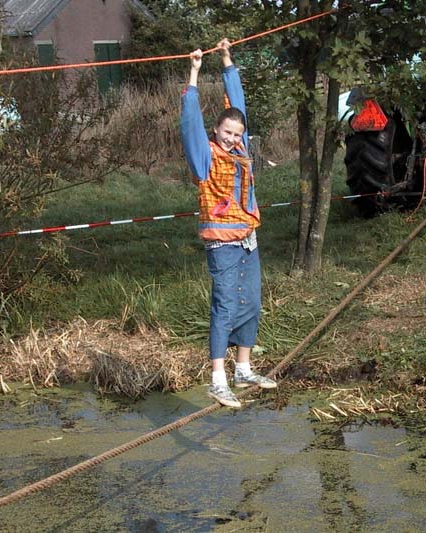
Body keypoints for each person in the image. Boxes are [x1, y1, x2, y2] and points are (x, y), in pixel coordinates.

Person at [180, 39, 277, 408]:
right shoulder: (204, 156)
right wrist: (194, 71)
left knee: (251, 303)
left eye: (238, 134)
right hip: (222, 244)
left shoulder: (243, 151)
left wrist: (226, 60)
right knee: (225, 306)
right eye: (227, 133)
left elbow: (237, 103)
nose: (233, 139)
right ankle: (218, 379)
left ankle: (243, 368)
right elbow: (190, 123)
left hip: (248, 239)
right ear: (216, 132)